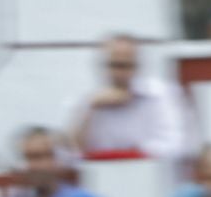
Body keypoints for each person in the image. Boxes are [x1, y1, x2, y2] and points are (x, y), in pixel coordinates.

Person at [67, 34, 196, 173]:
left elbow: (178, 145)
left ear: (138, 67)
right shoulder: (92, 101)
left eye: (126, 66)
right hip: (107, 180)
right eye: (113, 66)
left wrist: (129, 155)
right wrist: (90, 109)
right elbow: (73, 155)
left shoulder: (162, 95)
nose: (120, 73)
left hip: (155, 178)